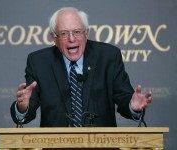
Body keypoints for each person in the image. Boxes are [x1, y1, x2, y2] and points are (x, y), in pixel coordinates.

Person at [10, 7, 152, 127]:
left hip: (103, 145)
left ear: (86, 33)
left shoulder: (108, 56)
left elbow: (124, 98)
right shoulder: (39, 62)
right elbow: (26, 112)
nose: (72, 39)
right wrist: (22, 107)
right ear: (54, 38)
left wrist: (132, 106)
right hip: (55, 146)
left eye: (77, 32)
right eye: (64, 33)